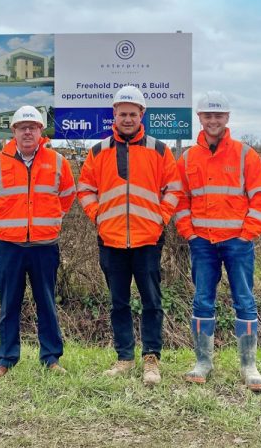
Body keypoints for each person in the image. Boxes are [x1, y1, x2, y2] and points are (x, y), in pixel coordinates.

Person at [77, 85, 182, 386]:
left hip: (148, 239)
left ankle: (151, 359)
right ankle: (124, 358)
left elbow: (173, 189)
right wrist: (96, 215)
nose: (127, 118)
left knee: (152, 301)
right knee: (118, 302)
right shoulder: (98, 151)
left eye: (132, 114)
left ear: (142, 115)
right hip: (110, 239)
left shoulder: (160, 149)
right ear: (114, 114)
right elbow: (84, 189)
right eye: (122, 113)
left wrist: (161, 218)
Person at [174, 91, 261, 392]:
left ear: (227, 118)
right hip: (202, 242)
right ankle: (203, 362)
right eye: (208, 115)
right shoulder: (189, 157)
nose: (213, 120)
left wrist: (248, 233)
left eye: (218, 115)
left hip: (237, 243)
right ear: (200, 118)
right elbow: (179, 198)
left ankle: (248, 366)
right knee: (202, 299)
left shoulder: (246, 155)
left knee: (244, 300)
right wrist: (188, 232)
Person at [0, 105, 76, 377]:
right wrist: (7, 219)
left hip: (45, 246)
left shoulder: (58, 162)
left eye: (33, 127)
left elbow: (67, 196)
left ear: (41, 131)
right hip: (9, 247)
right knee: (9, 305)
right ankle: (5, 360)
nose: (28, 131)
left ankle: (51, 358)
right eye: (23, 127)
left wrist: (50, 219)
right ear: (14, 132)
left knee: (47, 303)